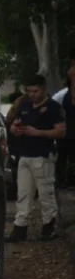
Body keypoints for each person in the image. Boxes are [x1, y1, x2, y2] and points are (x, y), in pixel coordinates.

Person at [7, 75, 66, 242]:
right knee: (23, 193)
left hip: (43, 154)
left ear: (44, 89)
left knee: (45, 192)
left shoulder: (53, 107)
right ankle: (20, 228)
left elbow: (61, 131)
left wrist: (38, 133)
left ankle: (48, 227)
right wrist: (15, 129)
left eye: (35, 91)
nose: (32, 94)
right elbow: (14, 123)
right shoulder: (24, 105)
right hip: (24, 154)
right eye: (29, 91)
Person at [56, 54, 75, 189]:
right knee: (63, 157)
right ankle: (62, 180)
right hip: (67, 134)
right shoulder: (64, 95)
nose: (70, 70)